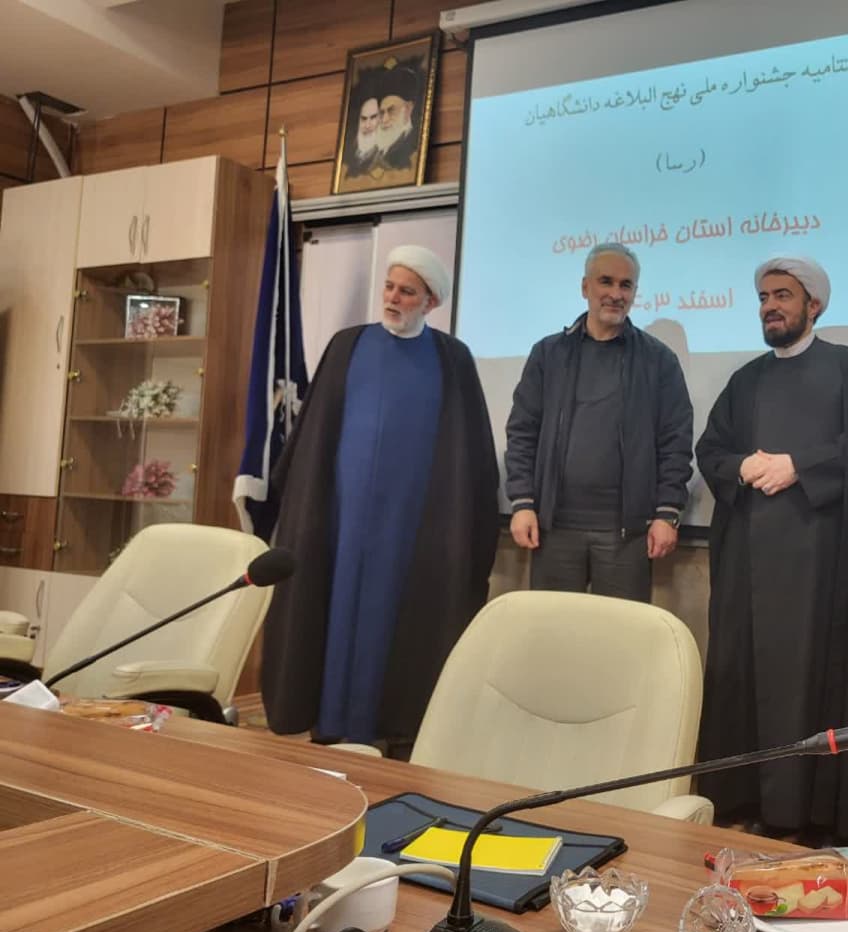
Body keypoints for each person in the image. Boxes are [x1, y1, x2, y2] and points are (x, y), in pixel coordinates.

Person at [696, 255, 848, 850]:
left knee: (824, 689)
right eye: (764, 297)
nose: (771, 306)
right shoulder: (746, 381)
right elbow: (711, 449)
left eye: (783, 296)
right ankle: (754, 800)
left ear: (813, 305)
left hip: (829, 576)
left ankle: (824, 816)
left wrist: (801, 465)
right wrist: (742, 465)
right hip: (753, 575)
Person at [261, 245, 498, 755]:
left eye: (406, 292)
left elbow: (470, 450)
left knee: (396, 619)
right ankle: (328, 719)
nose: (392, 298)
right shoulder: (347, 345)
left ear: (430, 302)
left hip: (411, 523)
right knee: (332, 603)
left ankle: (386, 726)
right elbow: (315, 432)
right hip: (340, 516)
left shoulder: (452, 358)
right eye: (389, 287)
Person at [505, 242, 693, 601]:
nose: (616, 294)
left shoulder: (658, 360)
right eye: (606, 281)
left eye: (626, 285)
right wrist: (522, 503)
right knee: (555, 628)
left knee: (620, 632)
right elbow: (522, 432)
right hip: (554, 527)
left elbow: (676, 441)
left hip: (627, 533)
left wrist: (667, 512)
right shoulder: (548, 354)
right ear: (585, 287)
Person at [376, 67, 420, 172]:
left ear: (408, 109)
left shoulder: (414, 146)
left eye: (391, 111)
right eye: (382, 113)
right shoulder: (377, 151)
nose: (384, 120)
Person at [344, 94, 381, 178]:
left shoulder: (385, 156)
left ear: (381, 118)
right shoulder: (349, 154)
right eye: (363, 119)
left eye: (373, 117)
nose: (367, 125)